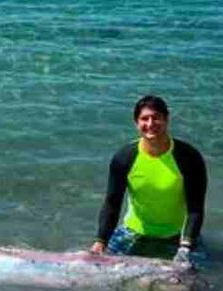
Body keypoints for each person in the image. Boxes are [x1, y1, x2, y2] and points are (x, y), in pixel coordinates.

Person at [89, 95, 207, 266]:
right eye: (144, 119)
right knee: (95, 268)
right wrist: (100, 242)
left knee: (194, 282)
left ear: (166, 119)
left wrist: (185, 246)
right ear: (136, 123)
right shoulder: (124, 157)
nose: (150, 124)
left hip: (177, 236)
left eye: (156, 118)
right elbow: (112, 204)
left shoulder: (188, 157)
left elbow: (195, 209)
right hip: (133, 232)